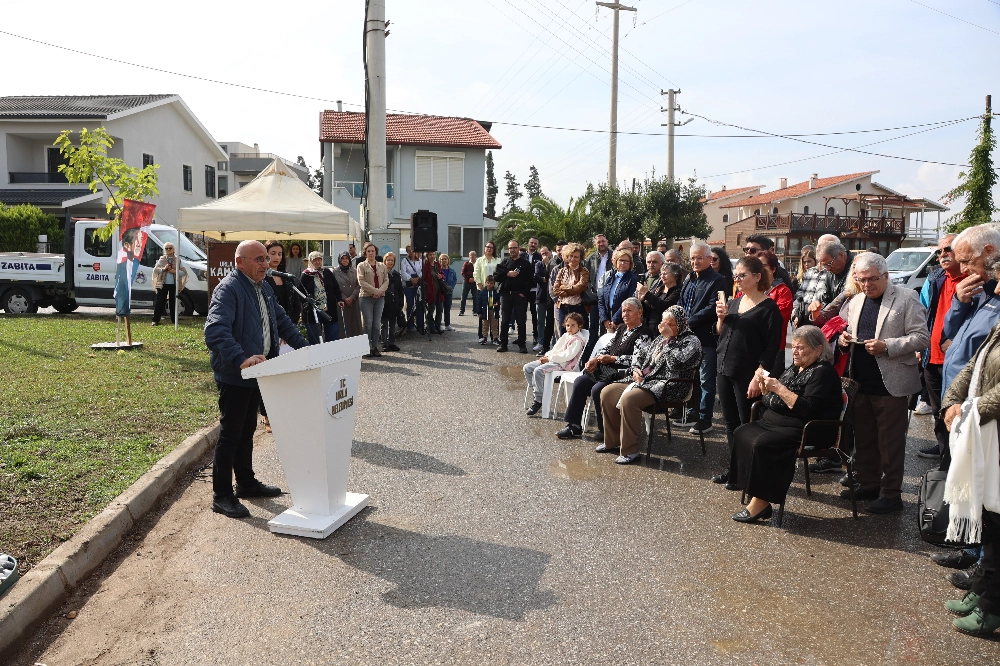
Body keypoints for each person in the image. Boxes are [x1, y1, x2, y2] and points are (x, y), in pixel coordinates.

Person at [204, 240, 309, 518]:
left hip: (258, 372)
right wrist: (241, 359)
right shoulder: (228, 289)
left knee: (247, 429)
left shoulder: (263, 287)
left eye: (266, 258)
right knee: (230, 434)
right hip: (235, 374)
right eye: (259, 259)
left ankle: (246, 483)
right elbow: (215, 331)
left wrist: (306, 349)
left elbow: (282, 322)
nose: (266, 264)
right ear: (240, 262)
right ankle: (221, 496)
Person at [837, 252, 928, 513]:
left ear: (886, 276)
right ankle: (869, 484)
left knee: (890, 443)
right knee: (864, 438)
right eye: (861, 279)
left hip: (891, 384)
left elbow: (922, 337)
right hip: (861, 382)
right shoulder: (856, 300)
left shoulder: (906, 297)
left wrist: (887, 346)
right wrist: (844, 340)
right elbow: (852, 332)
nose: (867, 284)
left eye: (872, 279)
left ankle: (891, 494)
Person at [729, 326, 844, 523]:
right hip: (776, 423)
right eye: (794, 347)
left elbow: (807, 408)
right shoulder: (795, 368)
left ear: (818, 349)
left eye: (801, 347)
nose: (795, 352)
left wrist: (779, 388)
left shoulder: (823, 373)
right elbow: (771, 398)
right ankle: (752, 490)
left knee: (764, 445)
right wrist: (764, 385)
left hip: (807, 429)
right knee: (742, 433)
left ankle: (761, 503)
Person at [938, 308, 1000, 637]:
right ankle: (982, 589)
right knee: (990, 519)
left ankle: (993, 607)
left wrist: (969, 409)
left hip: (992, 431)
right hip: (987, 435)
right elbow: (973, 365)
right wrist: (951, 400)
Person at [711, 255, 784, 489]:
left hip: (747, 373)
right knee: (730, 423)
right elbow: (720, 333)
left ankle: (748, 473)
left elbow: (771, 348)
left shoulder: (769, 308)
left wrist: (758, 376)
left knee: (746, 425)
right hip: (724, 367)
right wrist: (721, 319)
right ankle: (735, 470)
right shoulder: (734, 302)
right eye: (736, 276)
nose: (738, 280)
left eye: (742, 275)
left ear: (757, 276)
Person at [598, 306, 703, 464]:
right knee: (607, 393)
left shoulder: (691, 341)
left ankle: (630, 451)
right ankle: (612, 442)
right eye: (663, 323)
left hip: (670, 385)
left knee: (629, 400)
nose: (665, 327)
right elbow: (641, 355)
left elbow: (675, 364)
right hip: (646, 379)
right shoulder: (660, 338)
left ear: (681, 323)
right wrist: (636, 369)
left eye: (670, 324)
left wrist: (668, 341)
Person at [556, 298, 649, 440]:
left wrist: (613, 359)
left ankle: (605, 429)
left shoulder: (644, 333)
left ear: (639, 312)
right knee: (580, 382)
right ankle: (574, 426)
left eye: (629, 310)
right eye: (623, 311)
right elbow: (608, 347)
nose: (625, 314)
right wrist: (595, 358)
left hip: (624, 373)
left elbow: (638, 360)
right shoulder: (621, 328)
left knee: (597, 389)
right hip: (607, 370)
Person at [807, 238, 859, 475]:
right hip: (838, 352)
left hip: (856, 356)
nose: (826, 269)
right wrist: (816, 313)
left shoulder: (864, 286)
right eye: (857, 275)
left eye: (828, 264)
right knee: (838, 406)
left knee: (853, 414)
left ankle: (848, 460)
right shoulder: (845, 290)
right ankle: (835, 455)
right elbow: (826, 312)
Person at [916, 234, 962, 461]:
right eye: (939, 251)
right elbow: (923, 311)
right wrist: (919, 345)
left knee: (957, 411)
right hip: (931, 356)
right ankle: (944, 453)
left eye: (948, 249)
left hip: (959, 360)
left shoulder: (974, 279)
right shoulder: (935, 278)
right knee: (937, 410)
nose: (942, 255)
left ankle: (957, 457)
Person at [677, 241, 731, 434]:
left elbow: (711, 308)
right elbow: (681, 301)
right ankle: (693, 413)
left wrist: (687, 322)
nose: (695, 262)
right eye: (692, 258)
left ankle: (705, 419)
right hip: (687, 337)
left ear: (709, 259)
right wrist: (678, 320)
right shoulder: (689, 278)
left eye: (700, 258)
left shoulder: (718, 280)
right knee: (691, 378)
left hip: (706, 338)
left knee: (706, 381)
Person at [523, 312, 587, 416]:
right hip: (554, 360)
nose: (569, 328)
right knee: (527, 368)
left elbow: (567, 356)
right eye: (568, 325)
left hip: (564, 364)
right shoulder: (566, 335)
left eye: (573, 325)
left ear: (579, 326)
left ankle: (538, 400)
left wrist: (549, 359)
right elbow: (555, 349)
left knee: (538, 371)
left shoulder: (577, 340)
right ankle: (538, 393)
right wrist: (547, 356)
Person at [757, 250, 794, 377]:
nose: (759, 270)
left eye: (762, 266)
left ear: (773, 269)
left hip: (774, 348)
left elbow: (778, 320)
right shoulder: (750, 289)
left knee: (768, 384)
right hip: (751, 346)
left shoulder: (783, 291)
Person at [495, 240, 533, 353]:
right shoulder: (504, 262)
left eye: (514, 247)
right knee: (505, 320)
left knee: (521, 321)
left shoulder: (526, 264)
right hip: (506, 295)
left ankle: (522, 344)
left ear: (518, 248)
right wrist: (507, 274)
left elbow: (530, 280)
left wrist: (524, 293)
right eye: (510, 248)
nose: (512, 250)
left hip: (519, 296)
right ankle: (503, 344)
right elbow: (496, 276)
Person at [300, 251, 342, 344]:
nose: (318, 262)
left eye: (319, 260)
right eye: (315, 260)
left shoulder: (327, 272)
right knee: (315, 338)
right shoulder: (306, 275)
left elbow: (335, 287)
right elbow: (300, 292)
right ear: (311, 261)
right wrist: (305, 305)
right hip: (313, 311)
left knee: (333, 336)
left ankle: (331, 353)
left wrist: (339, 299)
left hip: (329, 309)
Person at [357, 242, 389, 358]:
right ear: (365, 253)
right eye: (368, 251)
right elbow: (361, 282)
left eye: (373, 251)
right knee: (368, 324)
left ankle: (374, 347)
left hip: (380, 298)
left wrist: (380, 291)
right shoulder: (361, 266)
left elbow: (386, 280)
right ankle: (366, 348)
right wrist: (375, 291)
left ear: (376, 252)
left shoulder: (382, 266)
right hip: (366, 298)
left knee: (376, 324)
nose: (371, 253)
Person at [552, 242, 591, 335]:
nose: (573, 259)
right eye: (571, 256)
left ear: (580, 258)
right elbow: (555, 290)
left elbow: (580, 287)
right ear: (567, 256)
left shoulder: (584, 271)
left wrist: (563, 287)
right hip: (563, 308)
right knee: (564, 336)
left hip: (578, 308)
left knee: (580, 336)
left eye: (576, 257)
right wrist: (570, 290)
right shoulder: (561, 271)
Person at [584, 234, 613, 358]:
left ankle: (604, 354)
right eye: (598, 242)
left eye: (603, 241)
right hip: (595, 297)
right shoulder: (591, 258)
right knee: (593, 327)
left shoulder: (614, 256)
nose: (601, 244)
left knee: (607, 327)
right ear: (595, 244)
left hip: (610, 297)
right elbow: (586, 277)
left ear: (607, 242)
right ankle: (591, 355)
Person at [598, 249, 638, 335]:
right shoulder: (610, 278)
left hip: (623, 320)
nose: (623, 263)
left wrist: (615, 320)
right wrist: (605, 319)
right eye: (621, 260)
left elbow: (629, 301)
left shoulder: (633, 279)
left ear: (630, 263)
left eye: (626, 261)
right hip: (608, 320)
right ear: (616, 262)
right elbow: (601, 300)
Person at [262, 241, 300, 330]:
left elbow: (296, 304)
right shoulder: (261, 278)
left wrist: (290, 326)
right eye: (273, 253)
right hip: (269, 328)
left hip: (289, 328)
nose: (277, 257)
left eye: (280, 254)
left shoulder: (287, 277)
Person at [637, 261, 682, 335]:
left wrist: (647, 294)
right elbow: (647, 310)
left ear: (676, 275)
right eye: (661, 274)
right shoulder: (658, 289)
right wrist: (641, 301)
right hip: (649, 328)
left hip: (664, 331)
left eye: (665, 274)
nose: (662, 276)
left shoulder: (678, 291)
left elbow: (665, 307)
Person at [151, 241, 188, 326]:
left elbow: (184, 272)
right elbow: (155, 270)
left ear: (173, 249)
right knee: (160, 302)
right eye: (166, 248)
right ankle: (155, 320)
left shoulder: (177, 260)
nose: (168, 250)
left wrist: (174, 271)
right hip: (162, 284)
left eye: (170, 248)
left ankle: (174, 320)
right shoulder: (162, 259)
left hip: (174, 284)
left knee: (173, 302)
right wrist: (163, 269)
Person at [332, 251, 362, 338]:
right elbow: (334, 287)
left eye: (347, 258)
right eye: (343, 259)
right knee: (343, 327)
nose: (345, 260)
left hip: (353, 302)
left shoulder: (354, 271)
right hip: (342, 303)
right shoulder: (335, 272)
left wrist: (352, 298)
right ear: (339, 260)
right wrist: (344, 298)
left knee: (355, 327)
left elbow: (359, 285)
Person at [380, 251, 403, 352]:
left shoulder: (396, 274)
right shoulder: (381, 273)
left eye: (392, 260)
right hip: (384, 302)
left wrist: (401, 303)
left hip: (394, 302)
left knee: (392, 325)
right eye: (388, 260)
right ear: (385, 261)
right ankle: (384, 343)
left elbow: (400, 290)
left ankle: (391, 342)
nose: (390, 262)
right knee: (384, 325)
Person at [532, 246, 553, 352]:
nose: (545, 254)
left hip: (552, 297)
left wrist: (547, 265)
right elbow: (536, 277)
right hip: (541, 296)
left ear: (550, 252)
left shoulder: (554, 263)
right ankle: (540, 341)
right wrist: (544, 279)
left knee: (551, 321)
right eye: (542, 253)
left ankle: (553, 343)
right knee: (540, 321)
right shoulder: (538, 264)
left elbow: (552, 277)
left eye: (546, 252)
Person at [524, 237, 542, 345]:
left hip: (535, 290)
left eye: (535, 243)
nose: (533, 245)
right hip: (523, 290)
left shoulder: (539, 256)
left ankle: (536, 336)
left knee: (535, 315)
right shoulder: (522, 256)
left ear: (537, 245)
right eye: (531, 243)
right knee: (521, 314)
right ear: (528, 243)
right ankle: (521, 337)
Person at [400, 246, 423, 331]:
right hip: (408, 286)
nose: (411, 252)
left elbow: (422, 271)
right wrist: (411, 279)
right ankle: (410, 326)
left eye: (412, 250)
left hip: (418, 285)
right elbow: (403, 273)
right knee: (410, 305)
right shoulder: (404, 261)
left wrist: (418, 278)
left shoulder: (420, 261)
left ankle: (420, 325)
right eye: (409, 251)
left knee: (419, 305)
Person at [478, 275, 501, 344]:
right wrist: (479, 312)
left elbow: (499, 299)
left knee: (494, 326)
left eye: (491, 283)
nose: (489, 284)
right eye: (488, 283)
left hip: (494, 311)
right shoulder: (482, 292)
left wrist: (497, 303)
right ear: (485, 283)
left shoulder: (496, 292)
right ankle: (484, 338)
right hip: (485, 311)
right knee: (485, 325)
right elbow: (479, 303)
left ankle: (495, 338)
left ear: (494, 284)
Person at [438, 253, 457, 331]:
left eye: (445, 259)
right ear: (440, 261)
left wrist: (450, 287)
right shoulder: (438, 270)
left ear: (448, 260)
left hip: (449, 292)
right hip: (440, 292)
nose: (444, 260)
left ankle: (447, 325)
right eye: (442, 259)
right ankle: (439, 324)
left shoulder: (452, 271)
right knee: (439, 309)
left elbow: (455, 280)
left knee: (447, 309)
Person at [459, 250, 478, 316]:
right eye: (471, 255)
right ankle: (461, 311)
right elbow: (463, 272)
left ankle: (475, 311)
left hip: (475, 283)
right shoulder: (466, 263)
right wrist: (468, 279)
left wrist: (474, 279)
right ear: (469, 256)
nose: (472, 256)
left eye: (473, 255)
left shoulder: (478, 263)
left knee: (475, 297)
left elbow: (480, 272)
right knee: (463, 297)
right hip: (466, 282)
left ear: (476, 256)